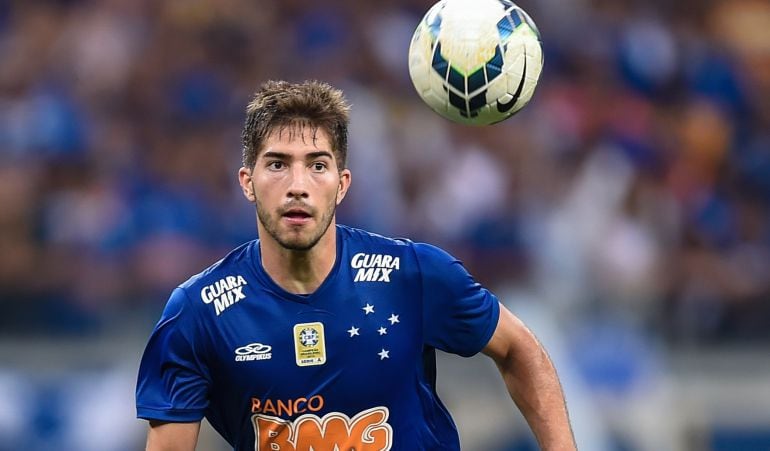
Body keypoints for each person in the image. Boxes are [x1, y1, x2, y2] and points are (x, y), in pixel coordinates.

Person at [135, 80, 577, 450]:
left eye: (317, 165)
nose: (297, 186)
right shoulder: (198, 313)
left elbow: (519, 349)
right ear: (247, 183)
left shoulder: (411, 275)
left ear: (341, 184)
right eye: (277, 165)